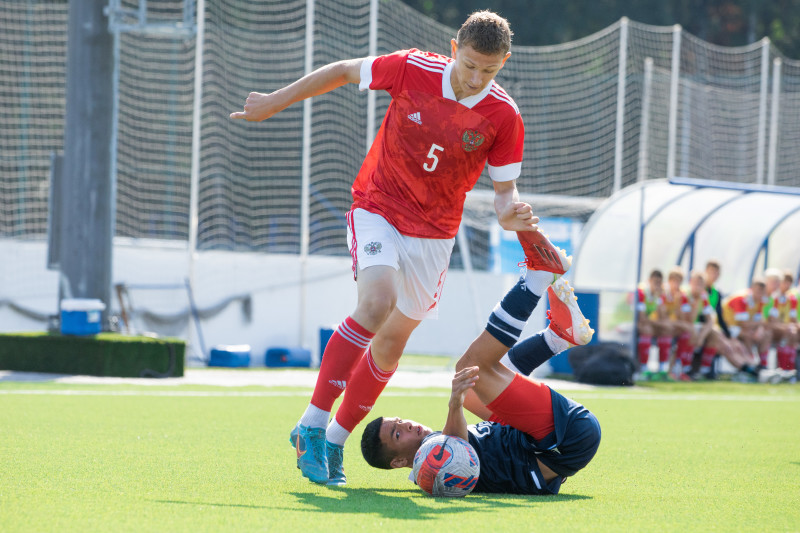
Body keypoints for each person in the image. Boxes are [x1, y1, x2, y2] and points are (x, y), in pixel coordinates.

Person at [237, 11, 541, 485]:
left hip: (435, 235)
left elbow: (505, 195)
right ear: (454, 46)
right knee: (377, 302)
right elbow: (341, 71)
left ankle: (334, 442)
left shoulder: (504, 115)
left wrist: (511, 216)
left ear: (504, 61)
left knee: (392, 342)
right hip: (379, 205)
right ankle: (312, 425)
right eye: (468, 64)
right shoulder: (411, 68)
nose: (475, 77)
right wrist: (275, 101)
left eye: (488, 69)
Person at [361, 276, 599, 495]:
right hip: (566, 438)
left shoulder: (429, 462)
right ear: (398, 462)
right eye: (398, 433)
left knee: (473, 387)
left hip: (543, 443)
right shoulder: (432, 468)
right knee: (470, 367)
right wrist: (455, 404)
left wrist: (461, 401)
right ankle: (535, 280)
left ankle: (557, 338)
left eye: (401, 421)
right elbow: (456, 449)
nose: (409, 425)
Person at [634, 269, 671, 379]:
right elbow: (642, 318)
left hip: (641, 323)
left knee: (666, 330)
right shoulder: (641, 292)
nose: (657, 285)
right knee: (648, 329)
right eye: (655, 282)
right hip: (625, 323)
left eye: (659, 283)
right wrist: (662, 324)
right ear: (649, 281)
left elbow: (662, 317)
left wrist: (660, 297)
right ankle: (643, 369)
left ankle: (662, 370)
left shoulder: (657, 295)